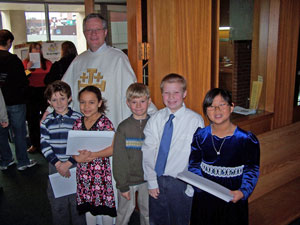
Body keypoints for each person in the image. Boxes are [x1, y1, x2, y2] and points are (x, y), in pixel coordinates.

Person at [53, 13, 156, 129]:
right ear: (84, 33)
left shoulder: (118, 58)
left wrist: (153, 114)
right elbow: (63, 91)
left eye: (97, 29)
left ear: (105, 32)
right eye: (89, 30)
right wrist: (50, 109)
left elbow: (132, 91)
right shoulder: (78, 61)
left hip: (110, 124)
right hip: (83, 126)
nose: (93, 34)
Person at [188, 88, 260, 225]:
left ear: (231, 107)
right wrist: (201, 187)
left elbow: (252, 168)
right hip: (205, 192)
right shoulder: (200, 136)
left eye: (222, 105)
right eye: (211, 106)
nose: (217, 110)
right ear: (206, 110)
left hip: (233, 192)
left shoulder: (246, 139)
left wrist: (243, 191)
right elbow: (194, 164)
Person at [142, 73, 204, 225]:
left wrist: (191, 185)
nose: (171, 97)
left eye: (176, 92)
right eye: (166, 92)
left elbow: (197, 157)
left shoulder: (195, 121)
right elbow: (148, 152)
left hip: (181, 182)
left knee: (180, 220)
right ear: (162, 94)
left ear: (184, 93)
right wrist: (151, 181)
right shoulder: (155, 119)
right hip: (157, 179)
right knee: (157, 220)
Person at [40, 81, 85, 225]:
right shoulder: (46, 121)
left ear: (70, 98)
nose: (59, 103)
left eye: (62, 98)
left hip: (75, 165)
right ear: (49, 102)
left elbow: (82, 143)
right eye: (54, 100)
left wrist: (69, 163)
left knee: (77, 202)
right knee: (58, 203)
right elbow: (44, 144)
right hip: (55, 166)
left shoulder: (78, 118)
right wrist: (59, 164)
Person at [72, 85, 116, 225]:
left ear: (99, 103)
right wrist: (76, 158)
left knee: (104, 207)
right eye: (83, 102)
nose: (86, 106)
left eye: (91, 102)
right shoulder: (77, 123)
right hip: (83, 173)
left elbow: (113, 148)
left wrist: (94, 154)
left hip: (100, 174)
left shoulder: (105, 123)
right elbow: (72, 147)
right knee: (88, 207)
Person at [113, 83, 151, 225]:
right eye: (134, 102)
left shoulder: (155, 124)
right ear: (128, 103)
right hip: (128, 181)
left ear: (149, 101)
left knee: (147, 213)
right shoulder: (123, 127)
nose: (139, 106)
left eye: (142, 101)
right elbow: (119, 159)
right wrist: (122, 185)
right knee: (124, 214)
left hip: (148, 180)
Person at [0, 29, 37, 171]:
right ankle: (22, 161)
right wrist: (28, 70)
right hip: (15, 100)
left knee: (2, 133)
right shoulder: (12, 59)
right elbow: (22, 80)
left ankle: (6, 160)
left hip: (0, 101)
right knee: (19, 132)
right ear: (9, 42)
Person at [23, 42, 52, 153]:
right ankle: (35, 144)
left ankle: (48, 141)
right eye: (35, 49)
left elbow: (51, 76)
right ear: (30, 50)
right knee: (32, 119)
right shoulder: (25, 62)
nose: (37, 51)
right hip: (31, 92)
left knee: (47, 117)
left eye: (39, 49)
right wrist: (28, 69)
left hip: (44, 92)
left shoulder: (46, 63)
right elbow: (22, 78)